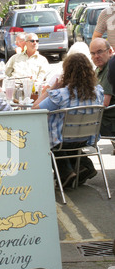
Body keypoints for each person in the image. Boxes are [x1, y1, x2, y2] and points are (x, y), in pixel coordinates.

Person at [32, 53, 104, 187]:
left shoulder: (61, 94)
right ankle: (85, 165)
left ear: (67, 71)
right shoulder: (98, 92)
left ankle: (65, 172)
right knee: (69, 137)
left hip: (62, 141)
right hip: (86, 138)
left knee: (47, 139)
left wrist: (51, 89)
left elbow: (34, 109)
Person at [89, 38, 115, 148]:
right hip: (101, 118)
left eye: (100, 52)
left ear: (110, 51)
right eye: (93, 53)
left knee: (70, 126)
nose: (96, 56)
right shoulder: (99, 69)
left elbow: (104, 103)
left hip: (108, 121)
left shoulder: (110, 68)